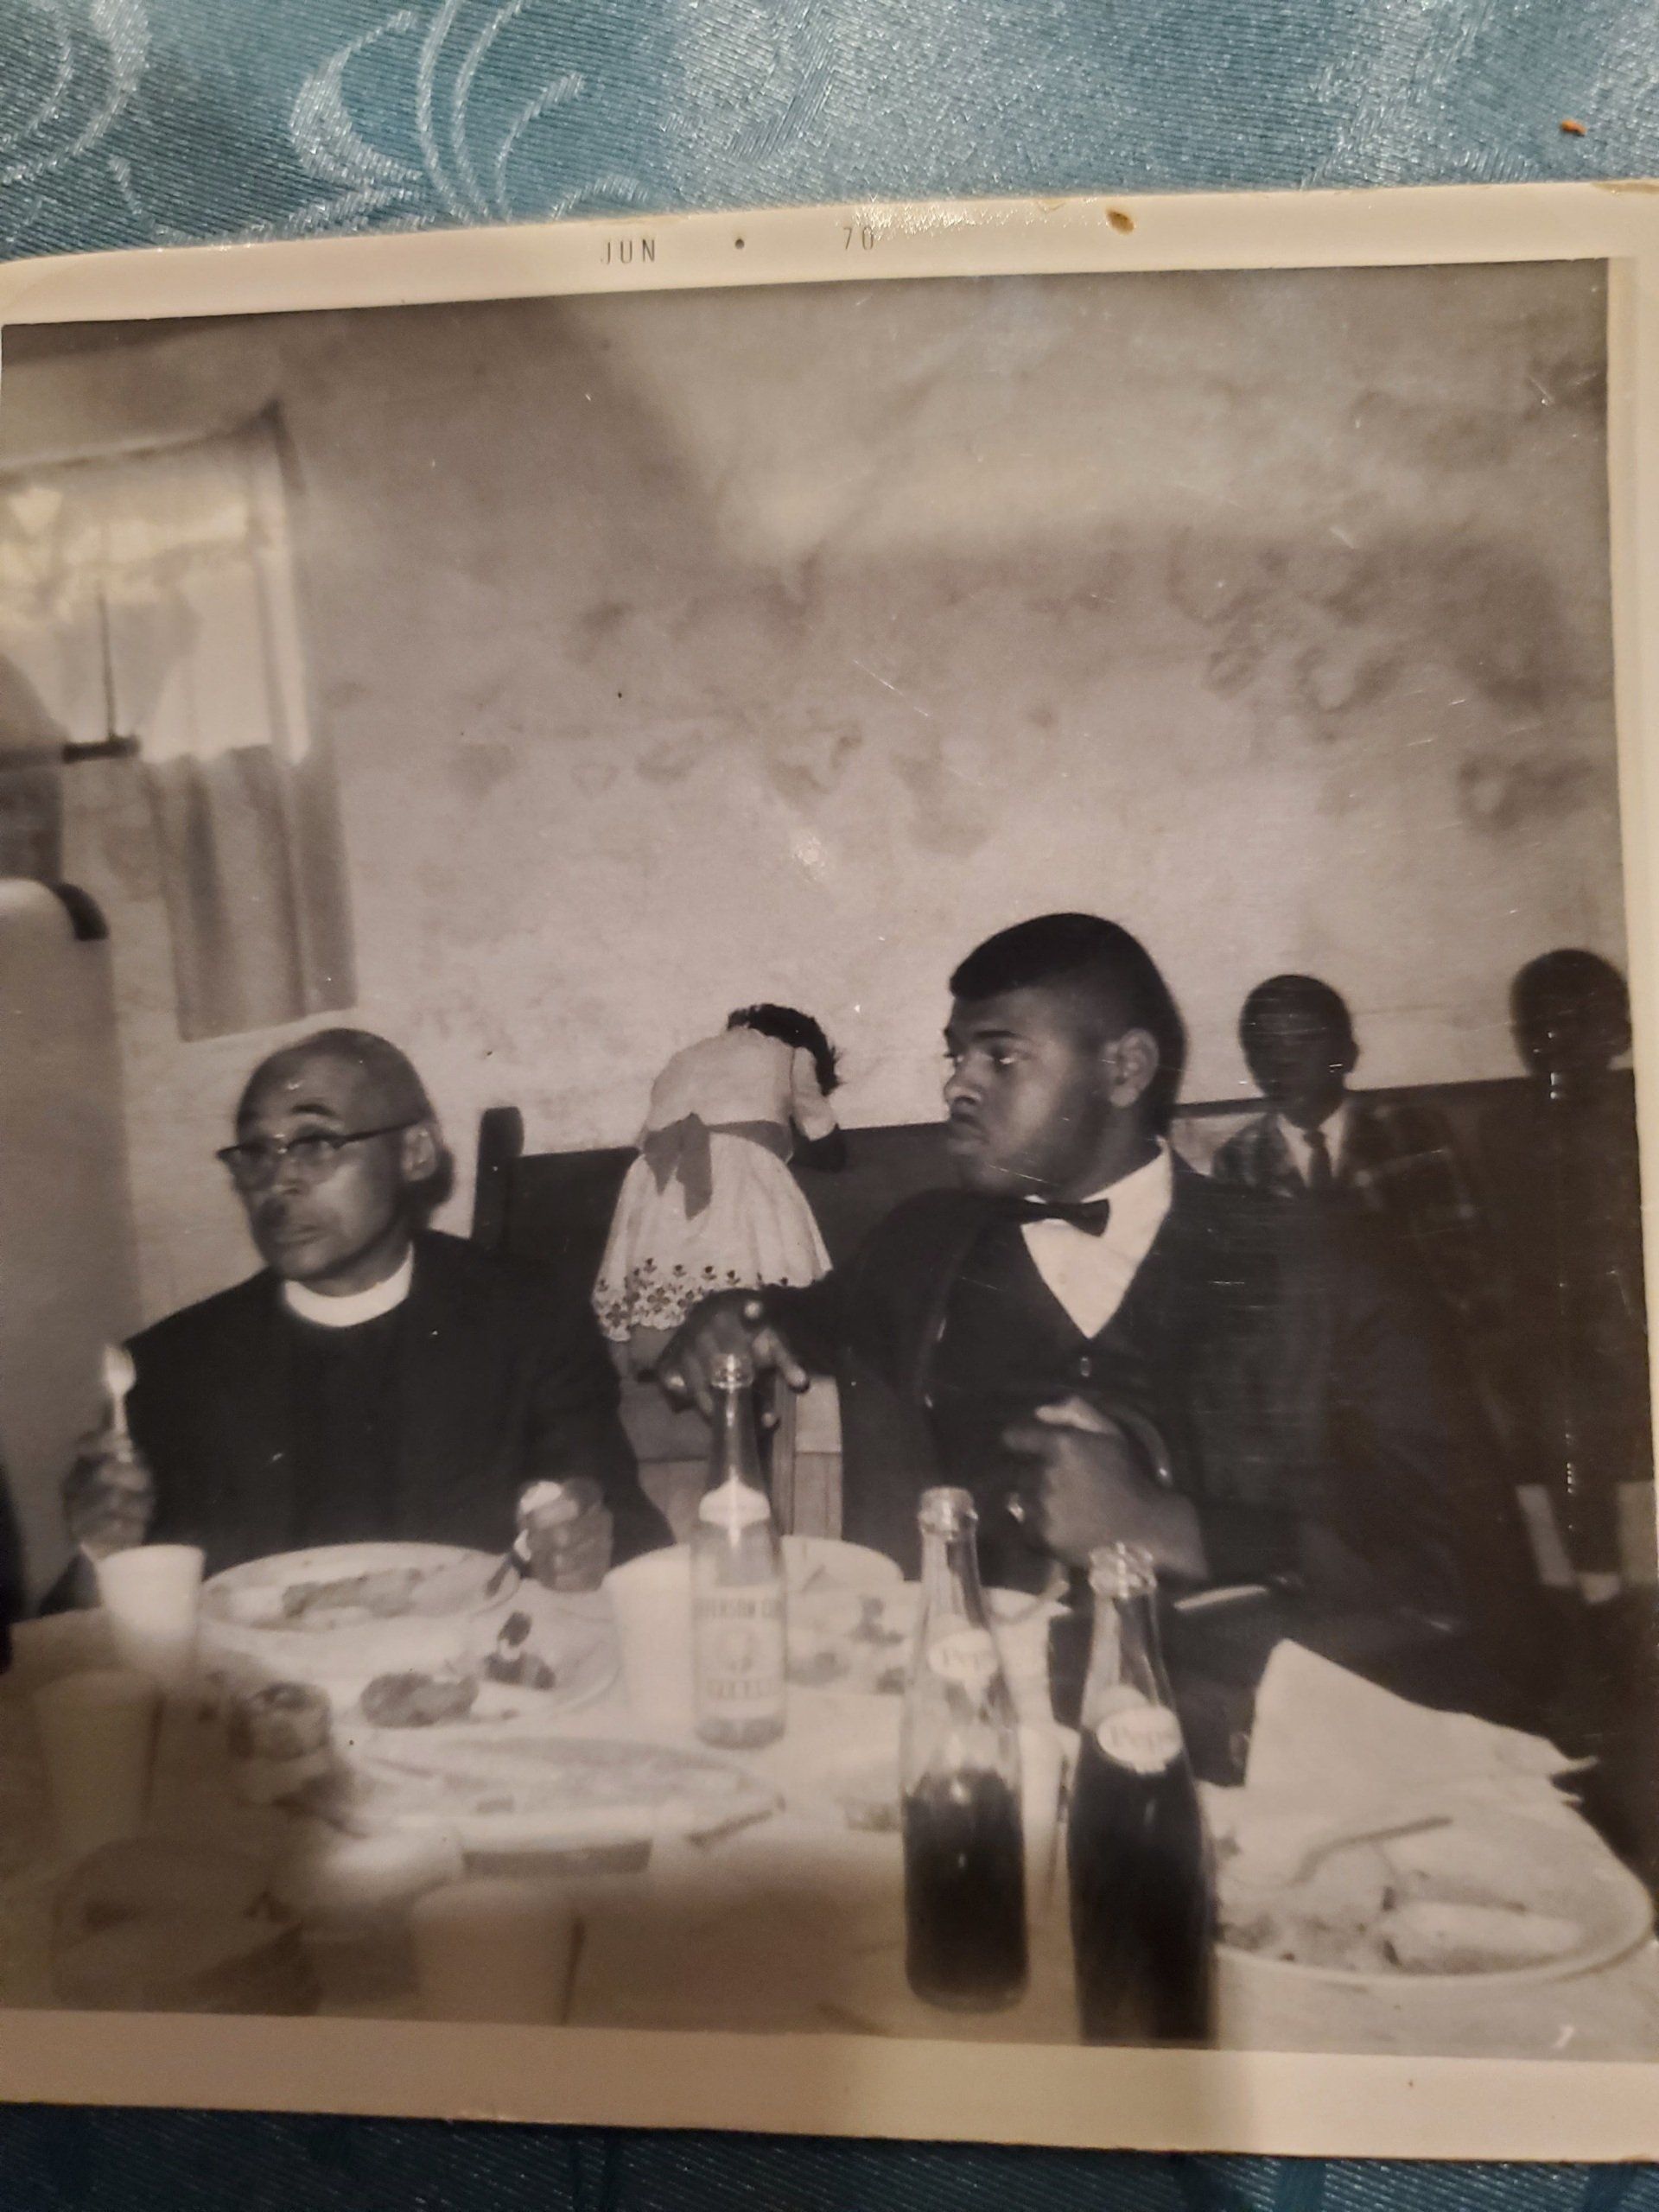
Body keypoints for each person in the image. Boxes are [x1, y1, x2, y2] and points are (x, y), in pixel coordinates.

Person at [659, 916, 1538, 1729]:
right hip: (985, 1729)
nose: (956, 1084)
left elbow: (1474, 1581)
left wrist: (1171, 1528)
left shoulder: (1331, 1263)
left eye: (1000, 1058)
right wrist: (731, 1317)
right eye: (956, 1055)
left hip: (1257, 1750)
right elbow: (798, 1318)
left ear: (1124, 1070)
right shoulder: (923, 1244)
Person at [58, 1028, 668, 1598]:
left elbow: (629, 1539)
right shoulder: (170, 1367)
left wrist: (587, 1546)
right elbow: (82, 1639)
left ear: (416, 1153)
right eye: (254, 1151)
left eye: (316, 1144)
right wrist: (101, 1554)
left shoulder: (529, 1320)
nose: (278, 1181)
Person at [1481, 950, 1649, 1595]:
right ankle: (1600, 1589)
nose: (1551, 1042)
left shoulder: (1640, 1111)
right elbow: (1510, 1255)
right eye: (1535, 1028)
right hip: (1566, 1332)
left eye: (1573, 1023)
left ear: (1618, 1033)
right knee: (1561, 1403)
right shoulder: (1508, 1129)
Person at [1211, 975, 1496, 1338]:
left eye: (1304, 1039)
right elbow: (1238, 1295)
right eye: (1265, 1045)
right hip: (1298, 1363)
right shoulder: (1239, 1161)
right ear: (1251, 1065)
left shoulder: (1410, 1133)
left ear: (1347, 1054)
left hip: (1411, 1347)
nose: (1284, 1059)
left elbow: (1465, 1257)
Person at [593, 1004, 844, 1376]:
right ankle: (742, 1376)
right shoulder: (792, 1053)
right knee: (749, 1278)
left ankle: (662, 1354)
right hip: (737, 1173)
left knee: (663, 1275)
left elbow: (647, 1136)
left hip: (653, 1178)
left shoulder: (682, 1057)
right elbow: (823, 1136)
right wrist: (792, 1142)